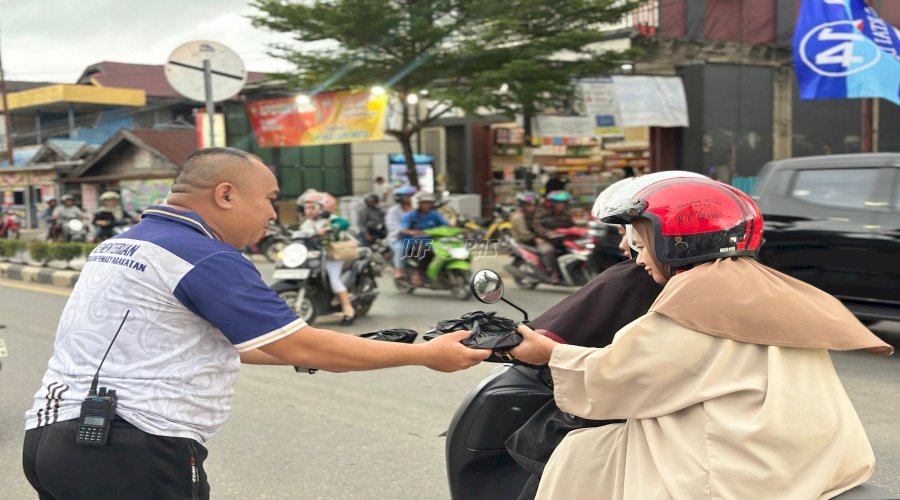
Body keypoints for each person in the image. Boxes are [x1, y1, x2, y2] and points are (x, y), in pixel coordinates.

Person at [22, 147, 489, 499]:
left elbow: (209, 345)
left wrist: (327, 357)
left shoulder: (125, 243)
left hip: (55, 441)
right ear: (225, 194)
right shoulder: (203, 255)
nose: (271, 212)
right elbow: (300, 345)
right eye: (268, 199)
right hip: (132, 450)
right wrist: (426, 354)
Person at [510, 177, 892, 499]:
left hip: (739, 468)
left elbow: (617, 379)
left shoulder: (694, 297)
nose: (636, 257)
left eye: (642, 245)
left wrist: (550, 354)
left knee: (579, 453)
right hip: (809, 453)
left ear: (675, 242)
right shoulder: (763, 284)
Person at [298, 191, 358, 325]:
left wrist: (330, 228)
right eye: (307, 208)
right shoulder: (308, 222)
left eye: (313, 207)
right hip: (315, 256)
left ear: (322, 208)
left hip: (332, 255)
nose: (309, 211)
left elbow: (343, 224)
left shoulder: (331, 219)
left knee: (333, 278)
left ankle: (348, 309)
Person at [398, 191, 448, 285]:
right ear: (418, 204)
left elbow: (446, 225)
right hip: (412, 242)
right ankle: (417, 273)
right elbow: (402, 229)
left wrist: (460, 228)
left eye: (429, 203)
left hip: (432, 241)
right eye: (424, 202)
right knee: (424, 249)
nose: (427, 205)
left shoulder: (433, 215)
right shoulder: (410, 216)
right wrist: (412, 232)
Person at [533, 190, 575, 284]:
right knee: (548, 251)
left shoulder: (566, 214)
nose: (562, 205)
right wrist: (548, 233)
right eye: (559, 203)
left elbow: (572, 226)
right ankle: (554, 274)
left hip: (562, 240)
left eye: (563, 203)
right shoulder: (542, 213)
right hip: (545, 240)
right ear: (552, 203)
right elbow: (537, 226)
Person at [385, 185, 416, 279]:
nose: (411, 198)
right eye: (409, 196)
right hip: (398, 238)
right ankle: (399, 269)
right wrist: (406, 231)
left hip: (418, 237)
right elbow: (392, 225)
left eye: (412, 195)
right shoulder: (393, 211)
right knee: (400, 248)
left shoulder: (417, 209)